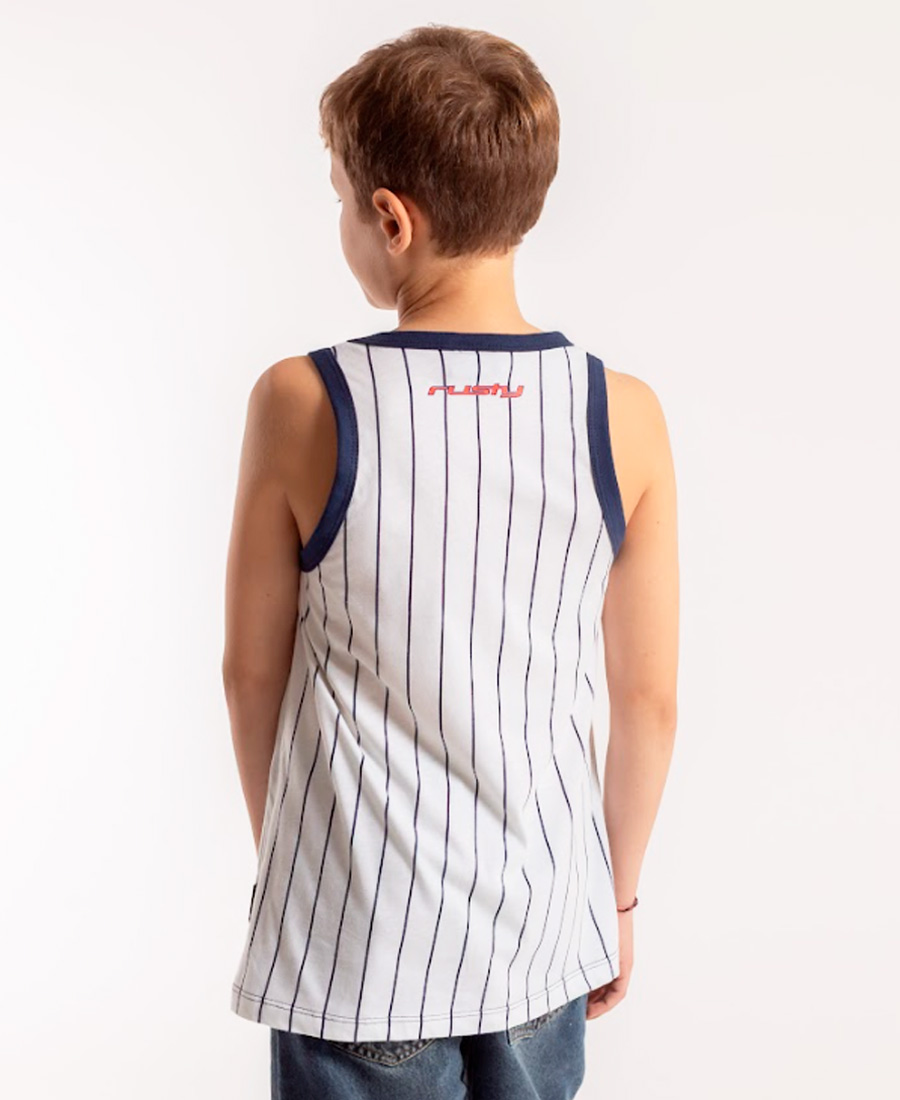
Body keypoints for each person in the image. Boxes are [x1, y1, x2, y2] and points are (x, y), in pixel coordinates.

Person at [222, 23, 679, 1100]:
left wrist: (296, 867)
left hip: (357, 940)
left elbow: (249, 673)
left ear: (392, 219)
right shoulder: (621, 414)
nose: (345, 221)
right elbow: (648, 701)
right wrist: (615, 900)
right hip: (542, 930)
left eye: (343, 200)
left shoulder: (304, 401)